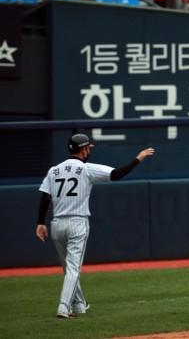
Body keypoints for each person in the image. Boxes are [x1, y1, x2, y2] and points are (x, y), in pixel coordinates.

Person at [35, 133, 155, 318]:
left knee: (68, 269)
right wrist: (138, 158)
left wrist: (40, 222)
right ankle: (63, 307)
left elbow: (45, 196)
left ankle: (80, 305)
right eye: (88, 148)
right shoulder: (86, 169)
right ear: (82, 149)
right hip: (77, 222)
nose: (89, 150)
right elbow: (116, 174)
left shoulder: (54, 170)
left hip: (56, 224)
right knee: (73, 268)